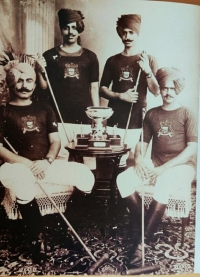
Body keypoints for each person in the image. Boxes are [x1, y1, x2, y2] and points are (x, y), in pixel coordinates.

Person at [0, 62, 95, 263]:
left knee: (85, 174)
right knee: (24, 181)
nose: (25, 86)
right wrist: (24, 163)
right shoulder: (3, 111)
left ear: (35, 83)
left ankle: (67, 228)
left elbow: (55, 141)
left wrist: (47, 161)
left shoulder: (44, 107)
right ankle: (37, 238)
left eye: (29, 81)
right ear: (10, 83)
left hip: (45, 164)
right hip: (14, 167)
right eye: (19, 81)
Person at [116, 67, 198, 266]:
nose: (168, 92)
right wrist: (138, 160)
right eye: (164, 88)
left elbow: (192, 149)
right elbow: (142, 143)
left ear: (178, 89)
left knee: (163, 182)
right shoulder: (152, 114)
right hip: (156, 163)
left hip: (183, 166)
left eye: (172, 88)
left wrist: (163, 169)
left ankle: (141, 244)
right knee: (123, 179)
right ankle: (145, 223)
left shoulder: (188, 113)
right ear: (159, 89)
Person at [100, 14, 160, 166]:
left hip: (138, 120)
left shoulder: (149, 59)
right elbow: (102, 89)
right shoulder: (112, 60)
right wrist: (120, 96)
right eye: (124, 32)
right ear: (120, 33)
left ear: (137, 33)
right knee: (115, 163)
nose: (127, 36)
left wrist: (147, 70)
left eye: (131, 32)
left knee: (137, 163)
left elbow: (156, 91)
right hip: (115, 120)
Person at [36, 8, 99, 144]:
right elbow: (44, 87)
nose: (70, 32)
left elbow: (94, 88)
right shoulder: (49, 55)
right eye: (66, 28)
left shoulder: (90, 56)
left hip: (83, 115)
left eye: (74, 28)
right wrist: (38, 71)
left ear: (79, 29)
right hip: (57, 116)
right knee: (60, 158)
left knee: (86, 158)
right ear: (61, 29)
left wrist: (96, 116)